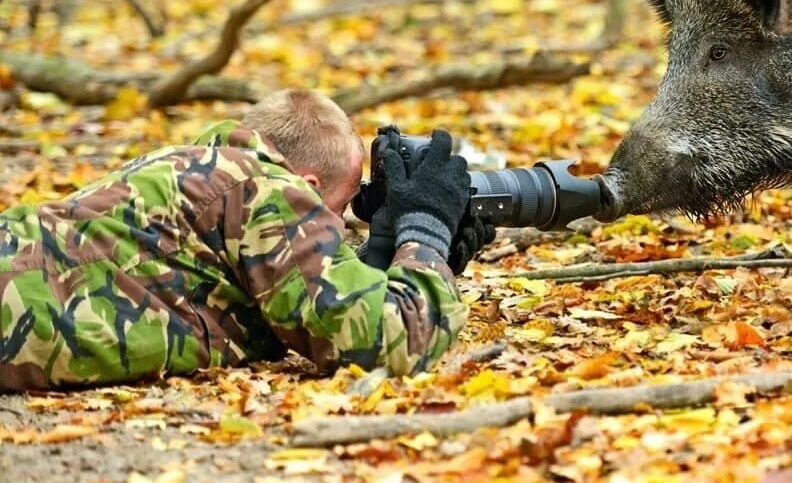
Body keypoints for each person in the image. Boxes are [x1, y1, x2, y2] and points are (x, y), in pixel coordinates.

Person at [0, 89, 488, 392]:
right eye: (337, 211)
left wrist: (384, 256)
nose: (336, 229)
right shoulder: (267, 189)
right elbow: (391, 341)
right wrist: (426, 229)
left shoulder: (197, 171)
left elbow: (286, 308)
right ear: (307, 188)